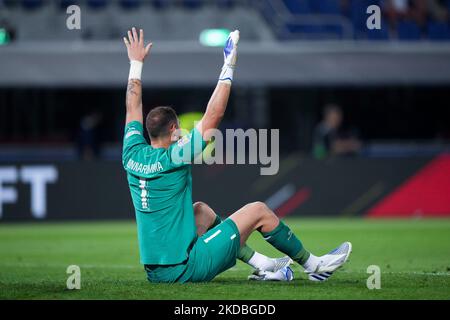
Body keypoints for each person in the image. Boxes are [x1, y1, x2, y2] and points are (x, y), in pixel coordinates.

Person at [122, 28, 351, 283]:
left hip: (156, 272)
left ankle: (264, 265)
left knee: (201, 212)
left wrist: (135, 63)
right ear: (173, 129)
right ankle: (314, 265)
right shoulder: (176, 157)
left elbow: (132, 108)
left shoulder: (131, 153)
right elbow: (214, 116)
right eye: (179, 129)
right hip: (184, 268)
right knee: (259, 211)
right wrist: (228, 66)